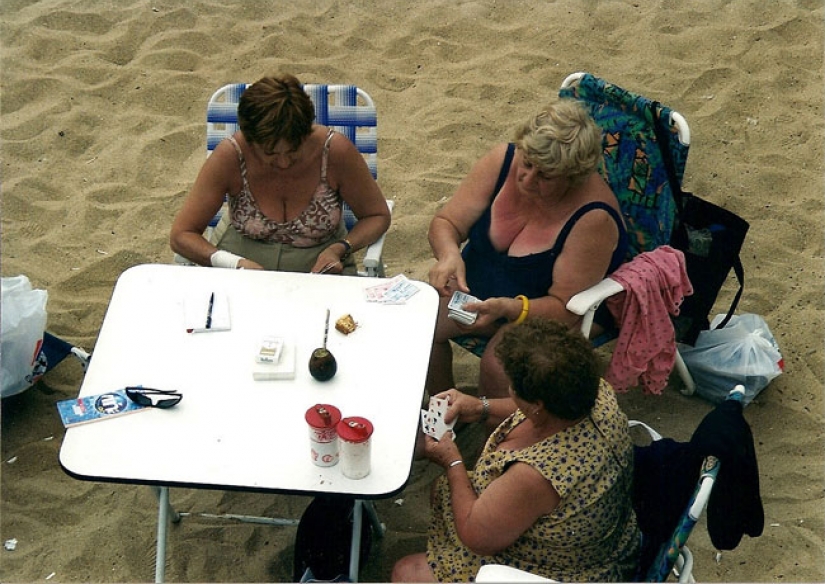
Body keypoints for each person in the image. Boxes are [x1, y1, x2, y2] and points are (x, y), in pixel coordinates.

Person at [392, 319, 640, 583]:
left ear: (536, 405)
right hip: (601, 534)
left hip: (561, 570)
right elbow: (537, 410)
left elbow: (476, 537)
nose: (510, 390)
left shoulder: (537, 475)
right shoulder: (594, 393)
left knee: (406, 572)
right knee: (442, 491)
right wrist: (480, 407)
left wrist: (452, 460)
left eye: (514, 388)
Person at [426, 98, 628, 398]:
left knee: (500, 365)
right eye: (528, 162)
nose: (528, 178)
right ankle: (445, 415)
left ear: (573, 177)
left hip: (549, 311)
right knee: (420, 324)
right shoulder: (503, 160)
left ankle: (493, 437)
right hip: (485, 289)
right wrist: (450, 254)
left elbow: (565, 309)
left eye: (546, 175)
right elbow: (447, 222)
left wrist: (507, 309)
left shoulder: (593, 218)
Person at [170, 73, 391, 274]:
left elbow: (376, 215)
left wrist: (340, 247)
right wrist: (233, 264)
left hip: (318, 269)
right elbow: (182, 235)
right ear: (250, 140)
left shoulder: (334, 152)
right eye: (270, 153)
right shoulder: (231, 156)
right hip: (241, 262)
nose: (284, 162)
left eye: (294, 151)